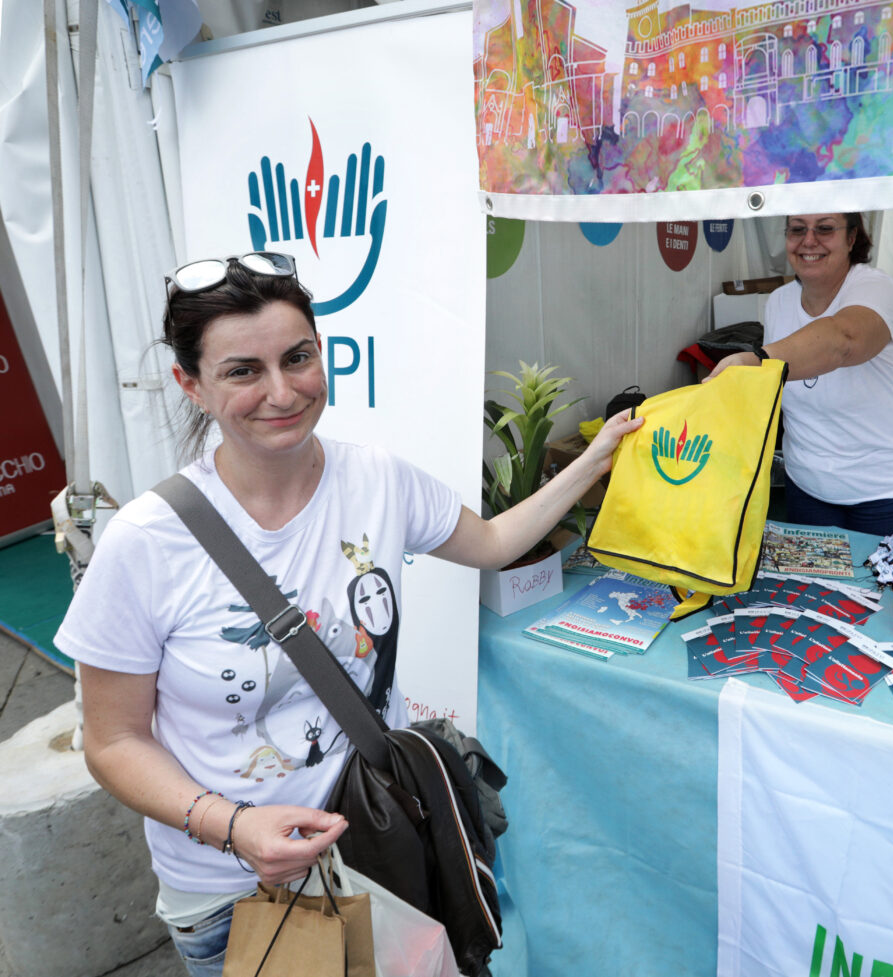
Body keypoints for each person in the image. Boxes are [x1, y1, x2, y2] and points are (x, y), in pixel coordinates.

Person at [53, 252, 643, 976]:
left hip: (381, 853)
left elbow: (491, 542)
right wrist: (234, 827)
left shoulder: (376, 479)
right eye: (243, 370)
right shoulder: (146, 543)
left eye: (298, 357)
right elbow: (113, 741)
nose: (282, 391)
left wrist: (598, 455)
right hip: (239, 898)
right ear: (191, 384)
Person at [706, 213, 893, 538]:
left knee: (883, 588)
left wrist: (757, 360)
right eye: (797, 230)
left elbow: (843, 340)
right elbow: (778, 389)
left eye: (825, 229)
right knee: (812, 588)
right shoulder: (778, 302)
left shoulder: (875, 288)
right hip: (808, 487)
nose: (809, 240)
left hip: (888, 491)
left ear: (852, 238)